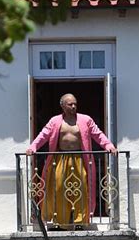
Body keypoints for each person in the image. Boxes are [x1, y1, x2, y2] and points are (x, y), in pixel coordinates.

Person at [26, 94, 117, 228]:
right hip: (61, 159)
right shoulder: (55, 121)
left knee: (81, 188)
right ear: (62, 105)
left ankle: (81, 222)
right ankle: (61, 223)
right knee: (60, 189)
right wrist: (33, 147)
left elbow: (98, 134)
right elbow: (43, 135)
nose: (73, 106)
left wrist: (109, 146)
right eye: (70, 104)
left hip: (80, 159)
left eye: (75, 103)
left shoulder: (86, 120)